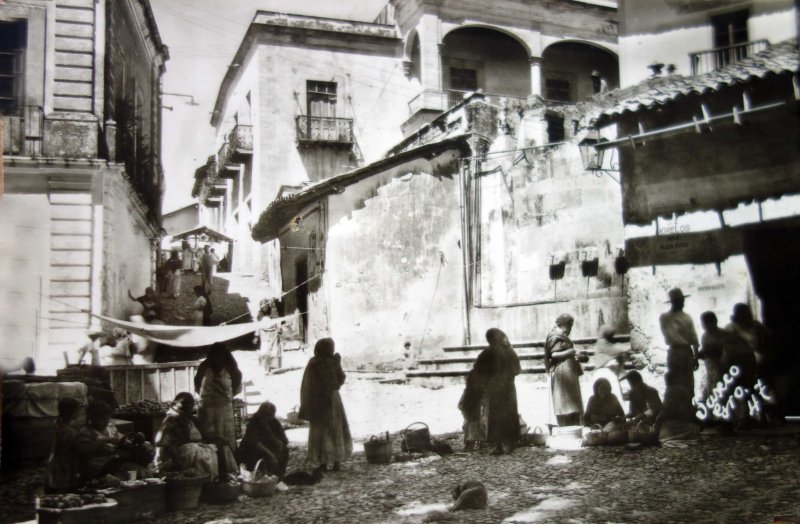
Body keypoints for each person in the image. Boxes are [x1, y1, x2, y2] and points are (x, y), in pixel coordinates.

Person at [154, 392, 237, 481]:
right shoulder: (171, 420)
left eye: (191, 404)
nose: (190, 407)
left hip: (197, 446)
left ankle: (225, 478)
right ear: (179, 405)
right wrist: (177, 465)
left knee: (222, 447)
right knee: (195, 449)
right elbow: (166, 445)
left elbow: (205, 436)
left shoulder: (192, 419)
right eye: (187, 404)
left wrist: (218, 439)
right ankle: (203, 482)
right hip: (177, 454)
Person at [298, 338, 353, 471]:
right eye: (331, 347)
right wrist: (334, 386)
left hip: (319, 400)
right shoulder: (331, 361)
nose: (333, 350)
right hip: (331, 399)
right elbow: (341, 377)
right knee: (335, 429)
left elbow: (307, 384)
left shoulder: (314, 362)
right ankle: (336, 462)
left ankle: (323, 463)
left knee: (321, 430)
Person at [73, 400, 152, 482]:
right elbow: (81, 450)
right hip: (99, 467)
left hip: (115, 462)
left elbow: (122, 439)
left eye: (108, 418)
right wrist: (104, 441)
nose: (106, 421)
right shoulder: (86, 432)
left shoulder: (110, 428)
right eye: (102, 419)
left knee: (139, 465)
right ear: (92, 418)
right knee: (128, 468)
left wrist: (133, 440)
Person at [470, 328, 520, 455]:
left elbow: (478, 371)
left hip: (494, 390)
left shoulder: (487, 353)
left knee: (496, 417)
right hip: (509, 388)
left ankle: (498, 446)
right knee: (510, 414)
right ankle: (510, 443)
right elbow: (518, 370)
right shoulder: (510, 352)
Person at [194, 344, 242, 452]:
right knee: (208, 439)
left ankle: (228, 464)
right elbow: (197, 386)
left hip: (224, 410)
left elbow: (236, 388)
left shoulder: (232, 369)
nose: (217, 359)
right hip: (206, 410)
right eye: (214, 356)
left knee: (226, 439)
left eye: (220, 356)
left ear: (225, 356)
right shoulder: (204, 367)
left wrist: (225, 398)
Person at [545, 314, 585, 427]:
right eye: (569, 326)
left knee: (571, 401)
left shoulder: (561, 336)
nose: (570, 329)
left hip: (568, 372)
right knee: (563, 401)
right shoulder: (555, 336)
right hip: (561, 372)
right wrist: (571, 352)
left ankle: (573, 425)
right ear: (563, 325)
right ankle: (565, 426)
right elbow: (554, 354)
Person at [659, 288, 699, 394]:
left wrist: (696, 356)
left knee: (688, 383)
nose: (683, 303)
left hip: (685, 351)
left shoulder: (687, 317)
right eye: (680, 301)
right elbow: (692, 338)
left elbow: (694, 338)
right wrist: (695, 357)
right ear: (675, 302)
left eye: (682, 300)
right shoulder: (665, 318)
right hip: (676, 351)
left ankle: (688, 406)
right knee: (676, 382)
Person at [237, 401, 289, 479]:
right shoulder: (254, 422)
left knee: (285, 450)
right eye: (267, 415)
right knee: (256, 454)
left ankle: (278, 475)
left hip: (268, 446)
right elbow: (256, 443)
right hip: (253, 450)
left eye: (271, 415)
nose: (270, 417)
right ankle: (259, 474)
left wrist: (280, 443)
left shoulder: (274, 421)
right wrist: (271, 455)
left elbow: (284, 439)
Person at [46, 397, 82, 491]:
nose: (79, 412)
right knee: (63, 487)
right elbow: (63, 448)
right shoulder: (66, 430)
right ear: (72, 412)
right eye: (78, 410)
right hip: (64, 462)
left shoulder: (58, 425)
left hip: (60, 461)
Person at [657, 371, 700, 442]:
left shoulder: (670, 390)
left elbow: (668, 408)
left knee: (663, 430)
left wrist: (659, 417)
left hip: (674, 422)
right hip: (685, 420)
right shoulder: (684, 389)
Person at [590, 325, 627, 407]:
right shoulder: (602, 342)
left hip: (608, 371)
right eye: (611, 334)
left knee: (612, 392)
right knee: (609, 391)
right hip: (604, 371)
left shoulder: (606, 342)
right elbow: (614, 351)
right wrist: (623, 349)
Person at [458, 367, 487, 451]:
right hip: (471, 413)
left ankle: (476, 441)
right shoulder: (468, 392)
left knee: (477, 424)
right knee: (470, 424)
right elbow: (461, 405)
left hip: (478, 415)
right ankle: (470, 442)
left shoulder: (482, 394)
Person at [698, 312, 725, 399]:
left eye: (706, 323)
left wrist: (707, 352)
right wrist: (699, 354)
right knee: (712, 388)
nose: (703, 325)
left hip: (720, 366)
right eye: (703, 323)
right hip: (710, 367)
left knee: (721, 388)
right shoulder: (705, 336)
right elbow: (704, 350)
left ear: (715, 322)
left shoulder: (722, 334)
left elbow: (722, 350)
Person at [257, 298, 281, 373]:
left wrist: (279, 328)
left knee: (274, 350)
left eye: (266, 307)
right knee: (265, 350)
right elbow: (257, 325)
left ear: (268, 306)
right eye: (263, 307)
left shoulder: (273, 312)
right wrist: (256, 335)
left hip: (273, 333)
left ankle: (270, 368)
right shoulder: (260, 314)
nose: (264, 308)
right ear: (260, 307)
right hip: (264, 334)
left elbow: (277, 321)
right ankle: (266, 368)